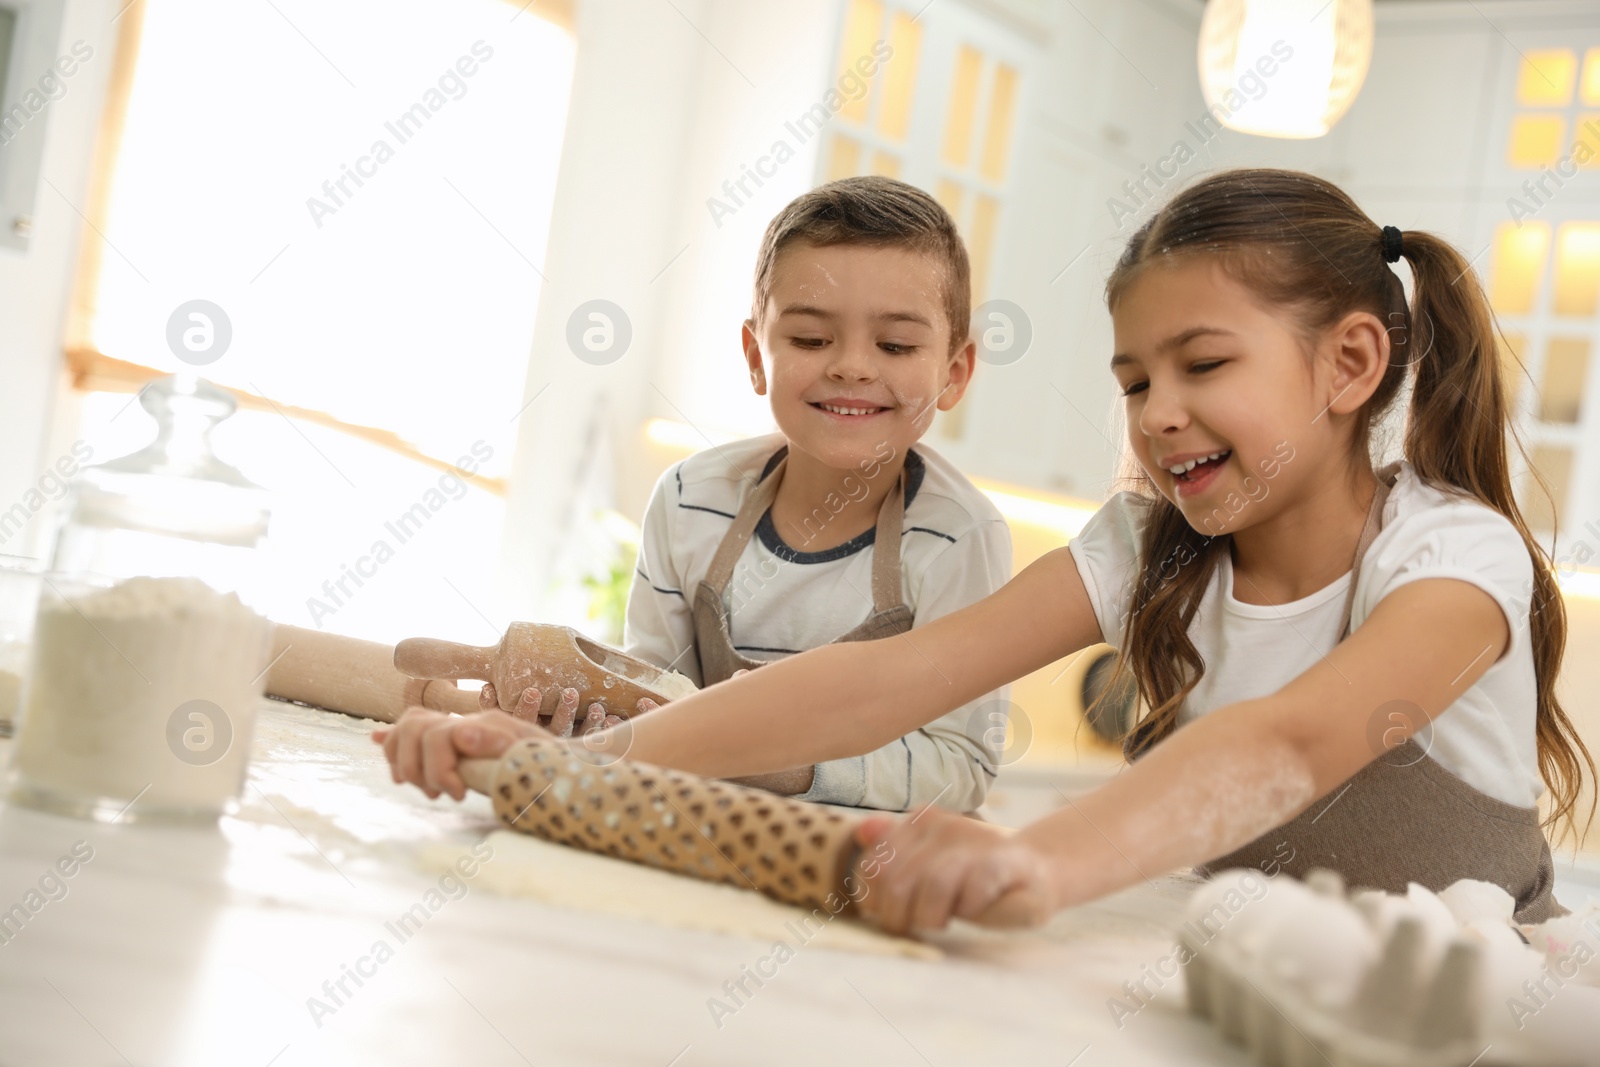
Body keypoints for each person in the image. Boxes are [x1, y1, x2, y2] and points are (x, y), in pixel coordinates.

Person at [378, 168, 1593, 934]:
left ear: (1349, 364)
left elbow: (1290, 743)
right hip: (1237, 966)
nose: (1158, 410)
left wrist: (1035, 860)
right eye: (1134, 379)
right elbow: (884, 680)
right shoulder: (1150, 543)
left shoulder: (1453, 555)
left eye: (1203, 364)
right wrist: (591, 764)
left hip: (1466, 990)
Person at [382, 175, 1013, 812]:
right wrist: (575, 722)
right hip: (688, 827)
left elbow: (959, 766)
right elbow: (645, 696)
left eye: (896, 345)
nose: (852, 366)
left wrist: (778, 763)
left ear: (954, 373)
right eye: (810, 339)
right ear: (755, 355)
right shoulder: (690, 501)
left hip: (842, 862)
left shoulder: (960, 539)